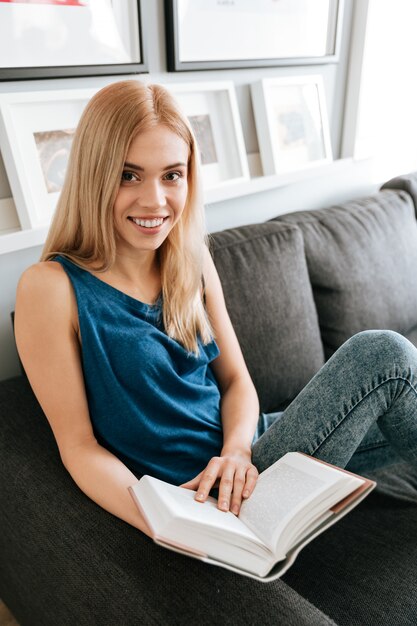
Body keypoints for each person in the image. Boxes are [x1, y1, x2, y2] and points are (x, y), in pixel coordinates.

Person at [14, 81, 417, 540]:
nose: (154, 200)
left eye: (171, 175)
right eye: (129, 175)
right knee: (384, 355)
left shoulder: (190, 259)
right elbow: (79, 445)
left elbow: (236, 382)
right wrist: (164, 520)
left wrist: (238, 451)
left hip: (249, 454)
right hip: (201, 494)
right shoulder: (51, 288)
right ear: (93, 174)